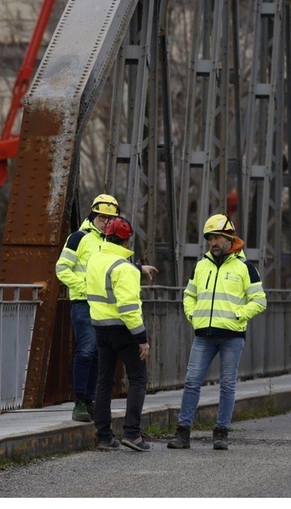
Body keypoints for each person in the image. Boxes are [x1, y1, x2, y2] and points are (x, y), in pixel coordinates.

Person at [167, 214, 268, 451]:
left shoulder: (245, 268)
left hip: (231, 336)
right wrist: (193, 316)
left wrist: (238, 315)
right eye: (210, 238)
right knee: (191, 382)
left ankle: (221, 433)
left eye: (218, 238)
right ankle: (183, 434)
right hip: (204, 336)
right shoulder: (201, 266)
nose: (213, 242)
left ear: (230, 238)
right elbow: (189, 295)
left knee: (227, 384)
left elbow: (260, 301)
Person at [84, 215, 151, 452]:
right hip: (123, 330)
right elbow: (129, 308)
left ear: (106, 237)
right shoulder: (124, 269)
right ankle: (132, 433)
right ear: (127, 241)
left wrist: (137, 268)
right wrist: (141, 338)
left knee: (104, 381)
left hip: (100, 327)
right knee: (138, 378)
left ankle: (104, 436)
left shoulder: (94, 260)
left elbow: (108, 273)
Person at [55, 194, 119, 422]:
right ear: (93, 216)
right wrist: (84, 286)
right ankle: (80, 403)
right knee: (86, 350)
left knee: (98, 354)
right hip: (83, 303)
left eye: (111, 218)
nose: (106, 222)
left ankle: (90, 401)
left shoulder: (112, 242)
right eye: (102, 217)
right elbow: (62, 268)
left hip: (105, 305)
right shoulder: (78, 238)